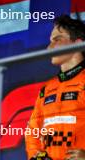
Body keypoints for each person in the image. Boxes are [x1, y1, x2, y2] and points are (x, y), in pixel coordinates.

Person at [25, 15, 85, 160]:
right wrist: (38, 157)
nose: (49, 47)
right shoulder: (47, 89)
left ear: (77, 43)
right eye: (50, 41)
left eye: (57, 40)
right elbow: (32, 130)